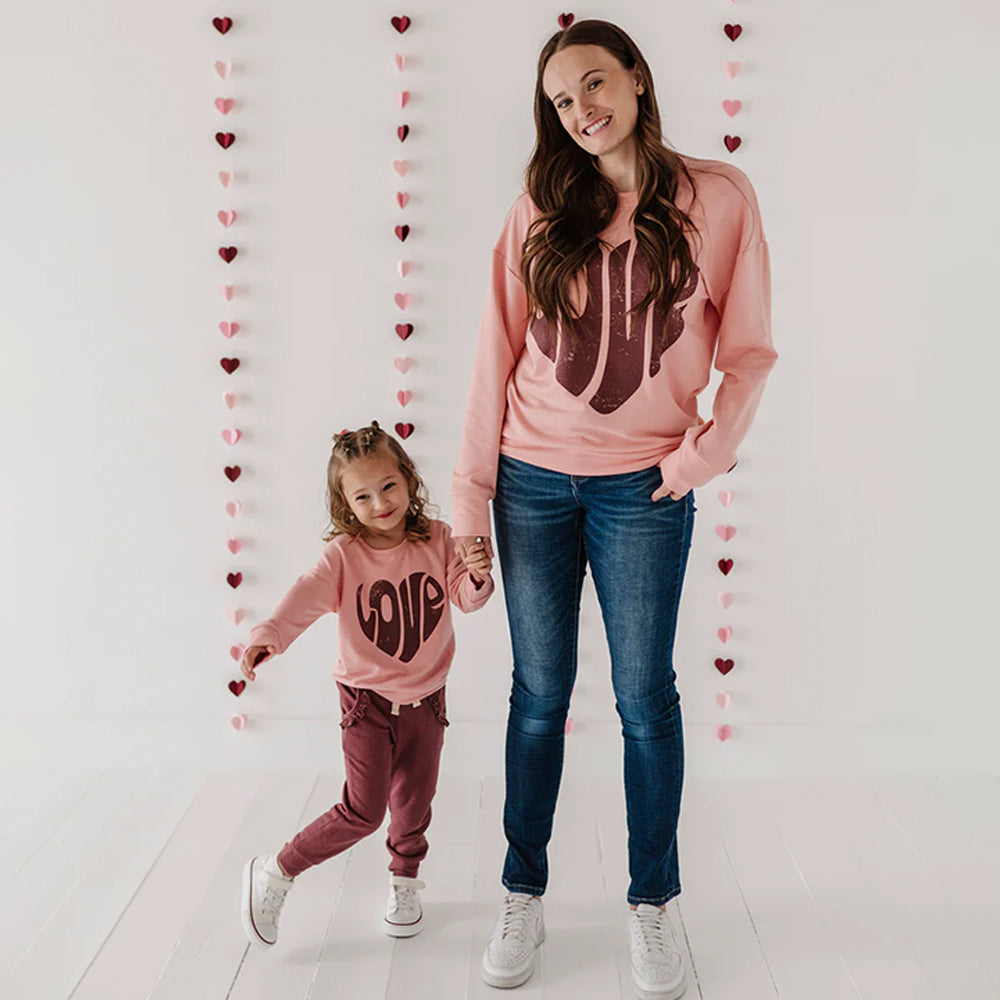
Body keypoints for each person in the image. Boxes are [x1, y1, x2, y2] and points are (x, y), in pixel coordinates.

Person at [450, 19, 778, 1000]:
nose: (580, 110)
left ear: (635, 78)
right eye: (559, 100)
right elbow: (490, 361)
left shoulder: (715, 199)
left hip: (645, 489)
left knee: (644, 702)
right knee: (537, 698)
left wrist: (697, 457)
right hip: (530, 482)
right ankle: (523, 889)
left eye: (594, 84)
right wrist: (470, 506)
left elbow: (749, 350)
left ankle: (653, 904)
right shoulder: (537, 209)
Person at [239, 420, 495, 949]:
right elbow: (306, 594)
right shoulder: (344, 557)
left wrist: (475, 574)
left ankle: (404, 882)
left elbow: (465, 599)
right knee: (363, 809)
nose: (380, 503)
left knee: (414, 801)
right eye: (363, 496)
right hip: (365, 701)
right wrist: (270, 636)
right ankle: (277, 870)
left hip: (428, 696)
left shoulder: (438, 539)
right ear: (345, 504)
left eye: (388, 487)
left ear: (407, 479)